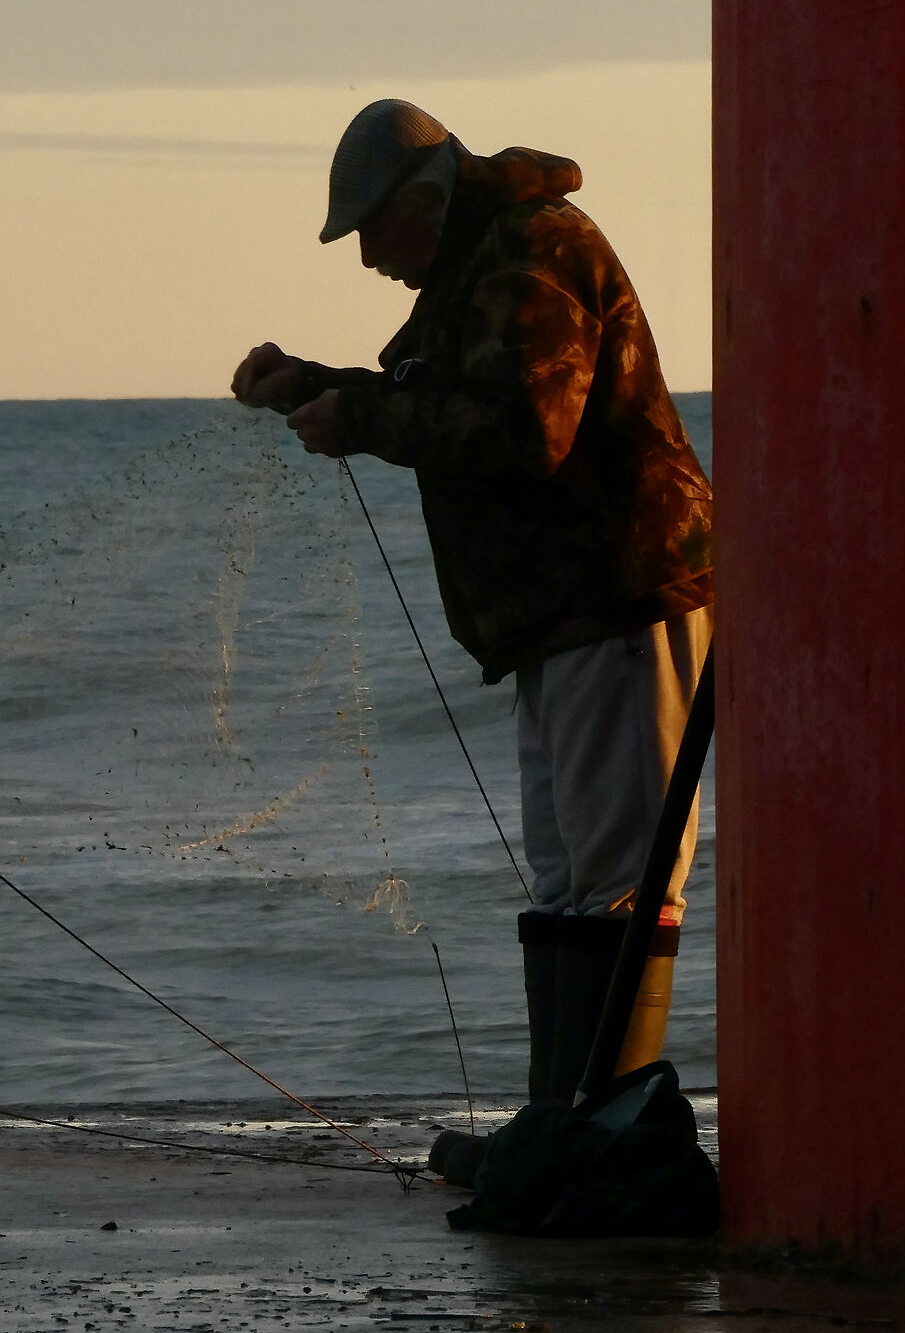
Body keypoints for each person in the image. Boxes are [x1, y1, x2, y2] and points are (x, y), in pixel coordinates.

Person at [231, 99, 714, 1106]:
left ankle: (604, 1133)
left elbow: (529, 428)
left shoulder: (533, 252)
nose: (367, 260)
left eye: (369, 232)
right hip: (559, 621)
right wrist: (311, 388)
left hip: (620, 599)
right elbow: (438, 397)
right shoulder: (477, 265)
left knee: (620, 878)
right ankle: (564, 1120)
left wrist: (358, 416)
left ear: (424, 197)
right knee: (569, 878)